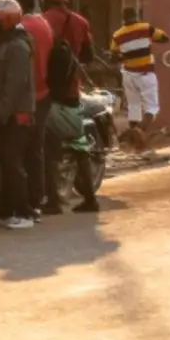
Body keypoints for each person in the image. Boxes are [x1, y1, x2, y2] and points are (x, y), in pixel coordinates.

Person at [0, 0, 37, 229]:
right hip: (5, 114)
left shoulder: (17, 47)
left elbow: (14, 85)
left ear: (5, 20)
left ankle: (23, 213)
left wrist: (1, 113)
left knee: (13, 164)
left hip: (17, 115)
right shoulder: (3, 44)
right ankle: (5, 212)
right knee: (3, 163)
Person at [41, 14, 99, 215]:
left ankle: (53, 201)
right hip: (73, 105)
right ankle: (90, 199)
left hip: (61, 107)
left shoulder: (57, 52)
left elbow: (54, 84)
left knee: (48, 151)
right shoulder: (66, 50)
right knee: (80, 150)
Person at [11, 0, 54, 215]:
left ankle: (25, 200)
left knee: (17, 152)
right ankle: (37, 196)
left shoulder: (21, 27)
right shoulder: (43, 24)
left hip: (26, 95)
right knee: (36, 148)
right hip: (43, 91)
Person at [110, 6, 169, 152]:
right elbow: (164, 38)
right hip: (145, 74)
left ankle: (134, 142)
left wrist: (126, 55)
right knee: (152, 108)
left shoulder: (117, 35)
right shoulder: (146, 28)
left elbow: (113, 57)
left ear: (123, 18)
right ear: (136, 15)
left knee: (134, 107)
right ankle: (139, 133)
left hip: (128, 75)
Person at [40, 0, 96, 68]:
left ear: (42, 0)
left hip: (47, 75)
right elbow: (89, 57)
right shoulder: (82, 22)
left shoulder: (42, 21)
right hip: (73, 74)